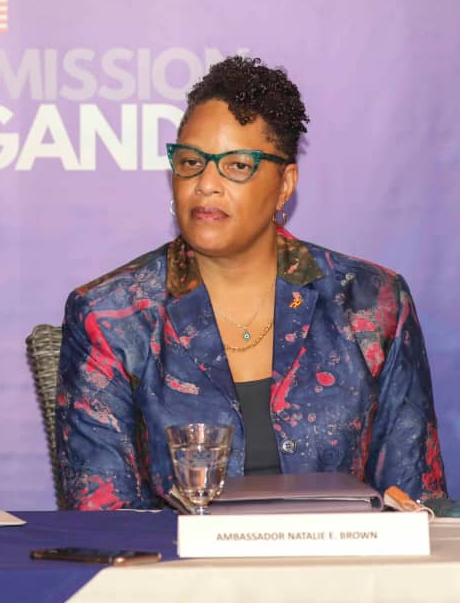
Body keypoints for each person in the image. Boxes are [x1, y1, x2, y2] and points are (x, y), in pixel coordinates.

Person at [56, 56, 446, 510]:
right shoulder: (112, 317)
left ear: (285, 184)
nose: (205, 184)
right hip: (177, 577)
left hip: (342, 574)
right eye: (190, 161)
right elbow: (104, 522)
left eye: (237, 165)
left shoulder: (370, 303)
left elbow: (415, 501)